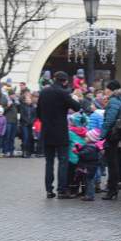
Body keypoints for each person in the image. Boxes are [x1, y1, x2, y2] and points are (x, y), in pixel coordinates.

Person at [36, 71, 81, 199]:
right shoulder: (63, 93)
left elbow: (38, 112)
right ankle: (62, 190)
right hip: (60, 132)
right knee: (63, 161)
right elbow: (77, 107)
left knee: (49, 162)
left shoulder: (44, 92)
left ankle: (49, 190)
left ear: (54, 79)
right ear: (65, 81)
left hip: (47, 131)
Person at [100, 80, 121, 200]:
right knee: (114, 162)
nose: (105, 91)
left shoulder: (114, 101)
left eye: (106, 89)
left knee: (112, 163)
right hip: (117, 135)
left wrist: (102, 135)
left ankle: (112, 190)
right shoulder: (120, 100)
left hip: (112, 135)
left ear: (110, 90)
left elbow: (109, 120)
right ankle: (113, 189)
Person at [75, 128, 103, 202]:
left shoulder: (90, 147)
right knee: (88, 181)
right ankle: (88, 194)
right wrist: (79, 148)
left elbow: (85, 154)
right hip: (90, 167)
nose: (85, 138)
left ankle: (90, 195)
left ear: (91, 139)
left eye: (87, 137)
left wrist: (78, 153)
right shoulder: (91, 146)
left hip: (89, 167)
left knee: (89, 181)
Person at [1, 90, 19, 157]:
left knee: (12, 137)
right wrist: (8, 106)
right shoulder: (5, 100)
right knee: (7, 137)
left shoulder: (15, 102)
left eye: (14, 95)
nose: (14, 96)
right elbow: (2, 110)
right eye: (13, 95)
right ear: (9, 95)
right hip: (8, 121)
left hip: (14, 121)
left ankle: (11, 150)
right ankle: (5, 151)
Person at [19, 92, 37, 158]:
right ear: (25, 100)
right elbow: (22, 115)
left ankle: (29, 152)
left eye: (29, 100)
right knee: (25, 138)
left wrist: (31, 121)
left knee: (30, 138)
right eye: (27, 100)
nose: (28, 101)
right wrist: (27, 121)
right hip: (24, 124)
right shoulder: (22, 106)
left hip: (30, 125)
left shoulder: (33, 107)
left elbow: (35, 116)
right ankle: (24, 151)